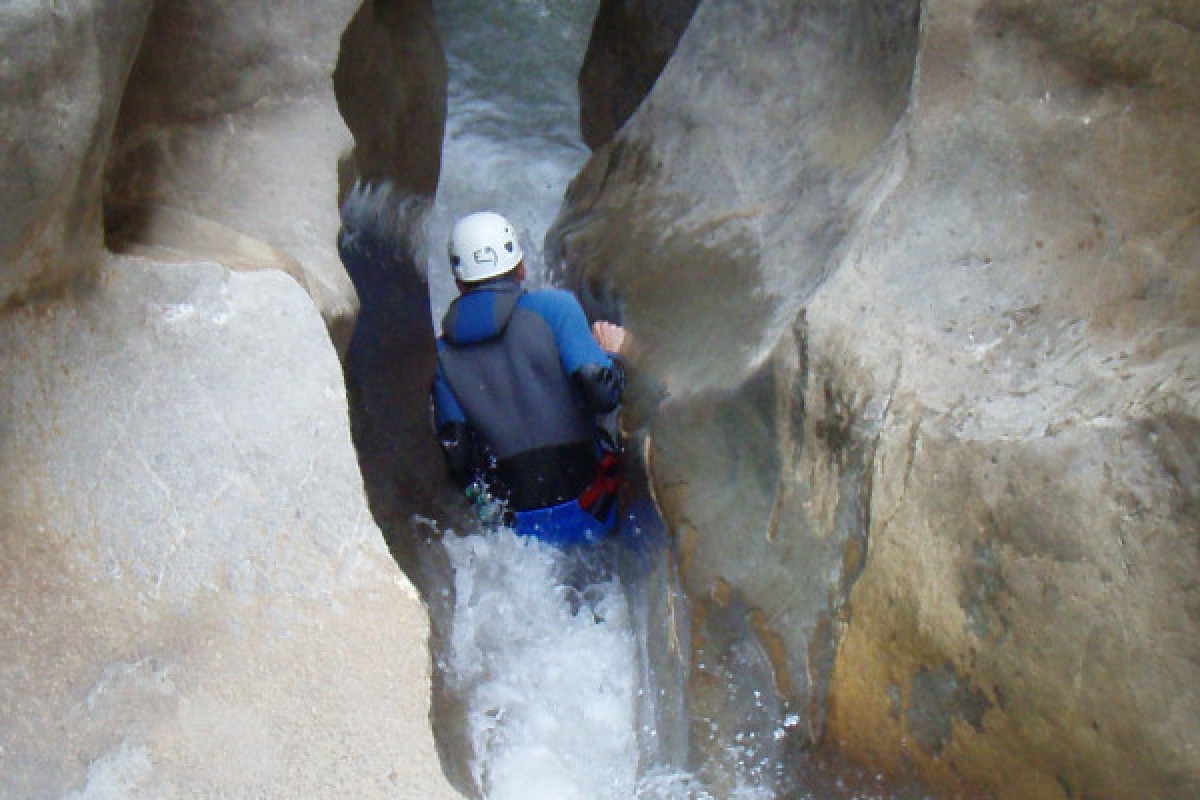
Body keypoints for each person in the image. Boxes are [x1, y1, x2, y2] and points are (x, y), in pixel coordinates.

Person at [431, 211, 627, 545]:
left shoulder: (441, 356)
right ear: (521, 268)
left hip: (516, 532)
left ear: (458, 283)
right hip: (592, 507)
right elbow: (601, 392)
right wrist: (614, 354)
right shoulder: (555, 309)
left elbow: (458, 455)